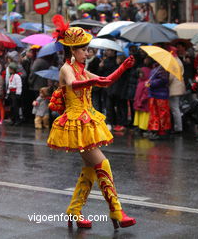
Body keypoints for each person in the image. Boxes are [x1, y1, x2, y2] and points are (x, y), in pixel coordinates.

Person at [47, 15, 136, 229]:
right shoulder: (67, 69)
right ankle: (116, 209)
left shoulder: (81, 68)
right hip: (76, 123)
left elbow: (105, 82)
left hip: (87, 120)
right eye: (83, 50)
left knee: (90, 168)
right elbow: (73, 84)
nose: (87, 53)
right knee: (102, 163)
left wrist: (123, 68)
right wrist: (92, 80)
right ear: (72, 50)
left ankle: (74, 211)